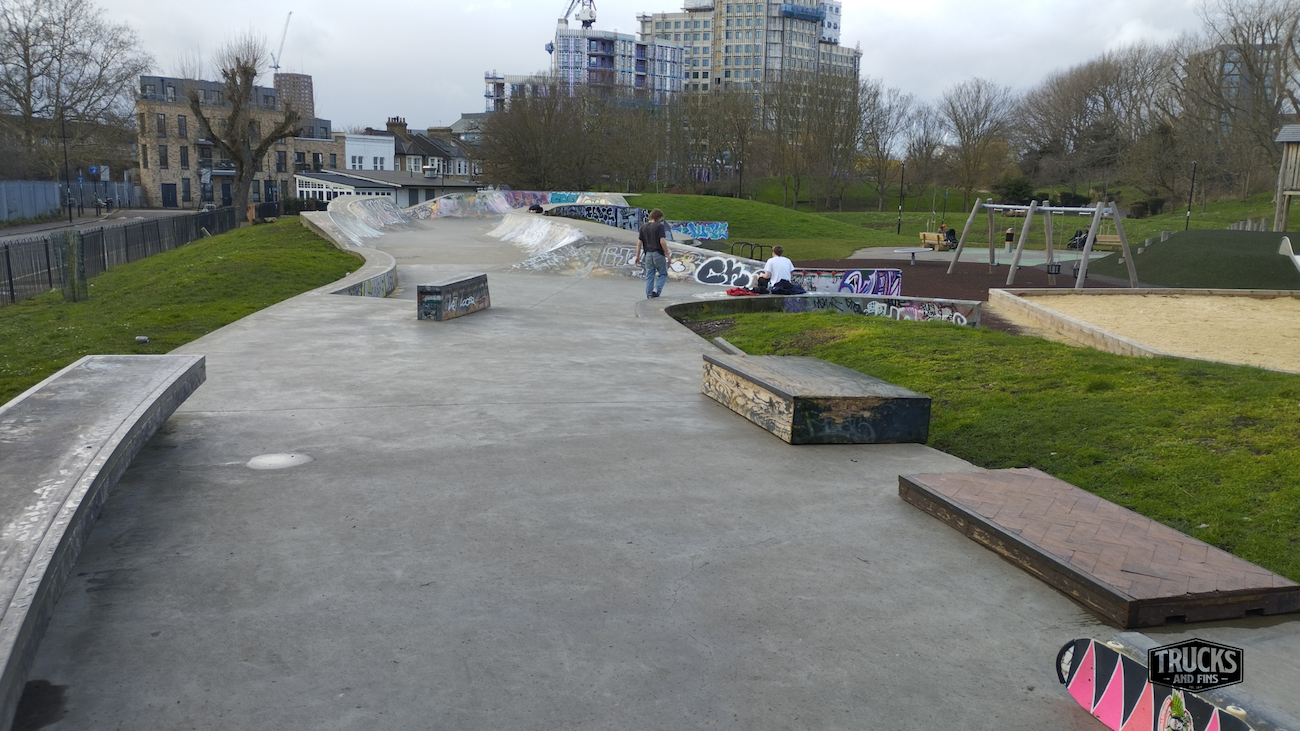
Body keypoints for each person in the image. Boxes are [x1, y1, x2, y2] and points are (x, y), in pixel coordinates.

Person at [635, 208, 670, 299]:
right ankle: (656, 290)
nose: (660, 221)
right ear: (658, 217)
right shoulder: (659, 226)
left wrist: (637, 256)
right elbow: (662, 241)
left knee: (649, 275)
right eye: (660, 219)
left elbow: (639, 243)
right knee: (663, 274)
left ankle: (649, 295)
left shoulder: (643, 227)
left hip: (648, 255)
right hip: (658, 253)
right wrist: (667, 254)